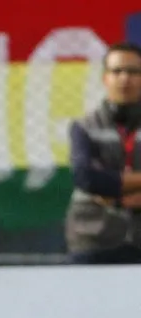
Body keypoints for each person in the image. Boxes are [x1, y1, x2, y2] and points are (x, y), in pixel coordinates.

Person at [66, 42, 141, 264]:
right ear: (105, 78)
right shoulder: (84, 126)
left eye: (133, 71)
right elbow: (86, 177)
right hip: (93, 237)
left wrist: (113, 192)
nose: (125, 78)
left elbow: (102, 183)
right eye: (117, 71)